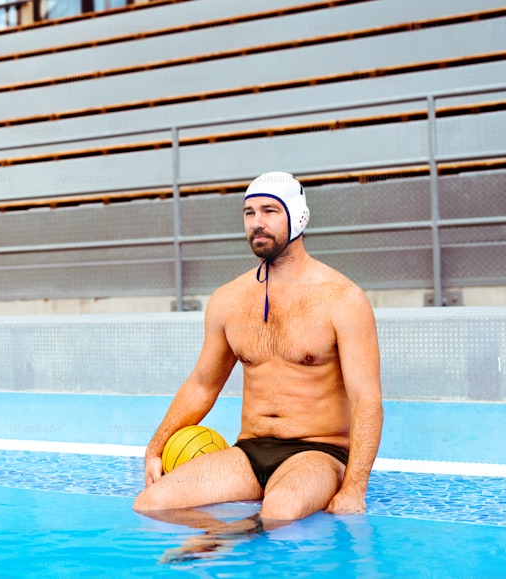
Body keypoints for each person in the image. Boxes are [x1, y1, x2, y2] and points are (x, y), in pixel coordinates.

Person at [133, 171, 383, 526]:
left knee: (280, 509)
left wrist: (354, 487)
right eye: (249, 213)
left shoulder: (342, 299)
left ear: (298, 217)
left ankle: (218, 543)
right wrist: (155, 447)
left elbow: (367, 400)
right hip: (250, 451)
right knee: (151, 503)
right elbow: (203, 385)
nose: (257, 223)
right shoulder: (229, 300)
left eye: (269, 211)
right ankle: (217, 543)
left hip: (318, 452)